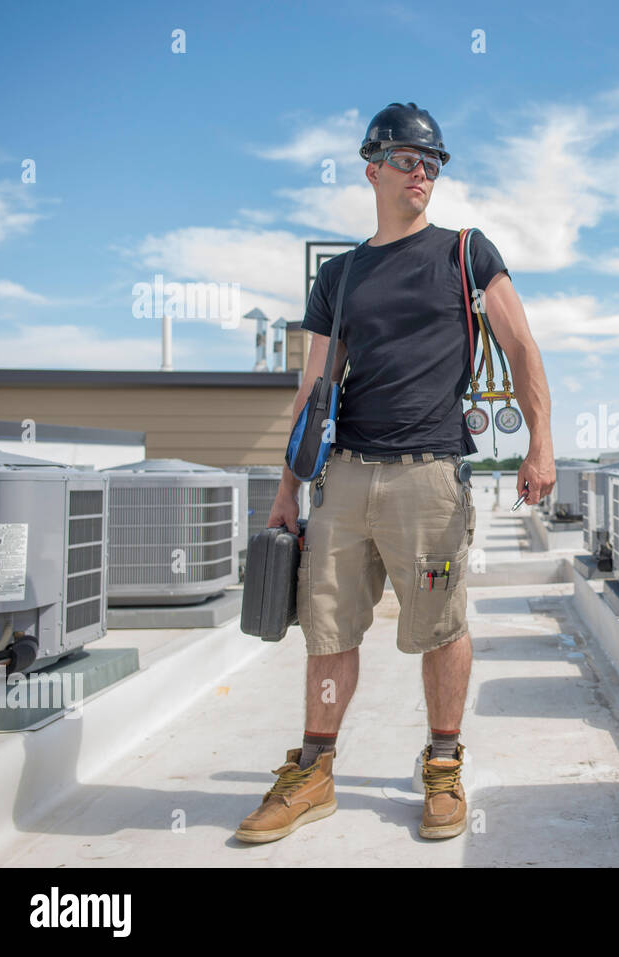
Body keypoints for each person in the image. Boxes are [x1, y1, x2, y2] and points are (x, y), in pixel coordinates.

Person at [235, 102, 556, 843]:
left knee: (442, 628)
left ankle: (442, 767)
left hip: (430, 477)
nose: (423, 173)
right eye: (409, 159)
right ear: (372, 165)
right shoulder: (340, 277)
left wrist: (540, 444)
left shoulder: (467, 252)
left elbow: (523, 347)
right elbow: (312, 390)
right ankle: (315, 772)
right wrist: (287, 488)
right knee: (327, 629)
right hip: (343, 480)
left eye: (434, 163)